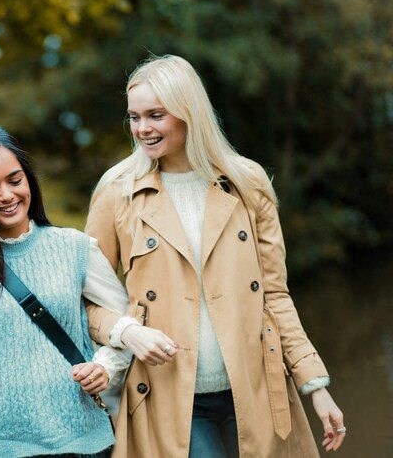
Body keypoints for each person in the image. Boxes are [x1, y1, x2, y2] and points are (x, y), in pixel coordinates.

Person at [84, 55, 346, 457]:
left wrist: (316, 385)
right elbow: (89, 300)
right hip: (169, 399)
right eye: (134, 117)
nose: (142, 129)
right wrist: (130, 333)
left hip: (258, 392)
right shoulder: (117, 192)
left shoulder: (246, 182)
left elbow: (274, 296)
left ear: (188, 111)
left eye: (156, 115)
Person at [0, 125, 130, 458]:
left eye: (14, 180)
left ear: (29, 179)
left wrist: (106, 366)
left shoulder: (74, 249)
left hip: (79, 444)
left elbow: (125, 324)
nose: (6, 195)